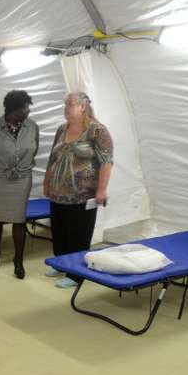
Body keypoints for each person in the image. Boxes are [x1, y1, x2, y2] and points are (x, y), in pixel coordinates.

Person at [43, 91, 113, 289]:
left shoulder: (96, 130)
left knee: (78, 234)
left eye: (70, 104)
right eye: (65, 105)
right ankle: (61, 263)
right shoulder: (61, 129)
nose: (66, 108)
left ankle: (75, 274)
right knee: (59, 231)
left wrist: (102, 189)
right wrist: (47, 182)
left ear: (83, 106)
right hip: (58, 194)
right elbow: (52, 158)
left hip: (83, 195)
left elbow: (106, 161)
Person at [0, 90, 39, 279]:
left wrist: (21, 167)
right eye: (25, 107)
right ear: (14, 110)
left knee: (19, 219)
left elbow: (34, 149)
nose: (28, 110)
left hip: (22, 179)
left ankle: (18, 260)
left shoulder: (32, 127)